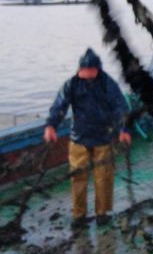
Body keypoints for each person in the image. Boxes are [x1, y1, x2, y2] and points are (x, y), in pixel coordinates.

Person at [44, 48, 131, 227]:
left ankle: (102, 213)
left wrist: (124, 129)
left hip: (103, 138)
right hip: (79, 139)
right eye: (82, 71)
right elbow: (60, 105)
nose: (84, 74)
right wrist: (51, 125)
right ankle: (79, 215)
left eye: (88, 71)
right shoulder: (72, 84)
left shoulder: (108, 83)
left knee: (103, 177)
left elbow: (120, 106)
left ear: (96, 69)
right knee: (78, 178)